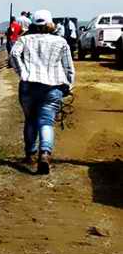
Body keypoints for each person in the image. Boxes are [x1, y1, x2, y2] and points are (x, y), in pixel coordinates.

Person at [9, 9, 75, 174]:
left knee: (30, 120)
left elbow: (13, 55)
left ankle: (30, 154)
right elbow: (68, 67)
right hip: (53, 87)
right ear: (50, 24)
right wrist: (68, 85)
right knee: (46, 122)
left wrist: (23, 72)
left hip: (28, 86)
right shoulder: (60, 42)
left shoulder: (24, 40)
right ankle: (44, 154)